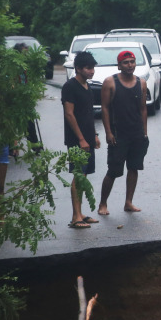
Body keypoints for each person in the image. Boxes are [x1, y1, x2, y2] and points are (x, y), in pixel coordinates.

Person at [99, 49, 149, 215]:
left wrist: (144, 132)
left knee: (133, 168)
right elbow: (105, 108)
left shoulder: (141, 83)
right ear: (119, 65)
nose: (130, 65)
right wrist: (108, 132)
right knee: (113, 171)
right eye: (126, 62)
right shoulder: (110, 82)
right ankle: (103, 204)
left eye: (132, 62)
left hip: (136, 133)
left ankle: (128, 202)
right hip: (118, 134)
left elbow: (143, 109)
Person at [62, 51, 100, 228]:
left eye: (92, 68)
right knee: (78, 176)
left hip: (88, 139)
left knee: (84, 176)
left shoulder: (87, 86)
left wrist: (94, 136)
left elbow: (88, 115)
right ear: (78, 68)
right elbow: (69, 114)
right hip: (77, 140)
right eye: (88, 68)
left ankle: (80, 212)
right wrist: (81, 139)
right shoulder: (70, 87)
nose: (91, 71)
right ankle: (75, 216)